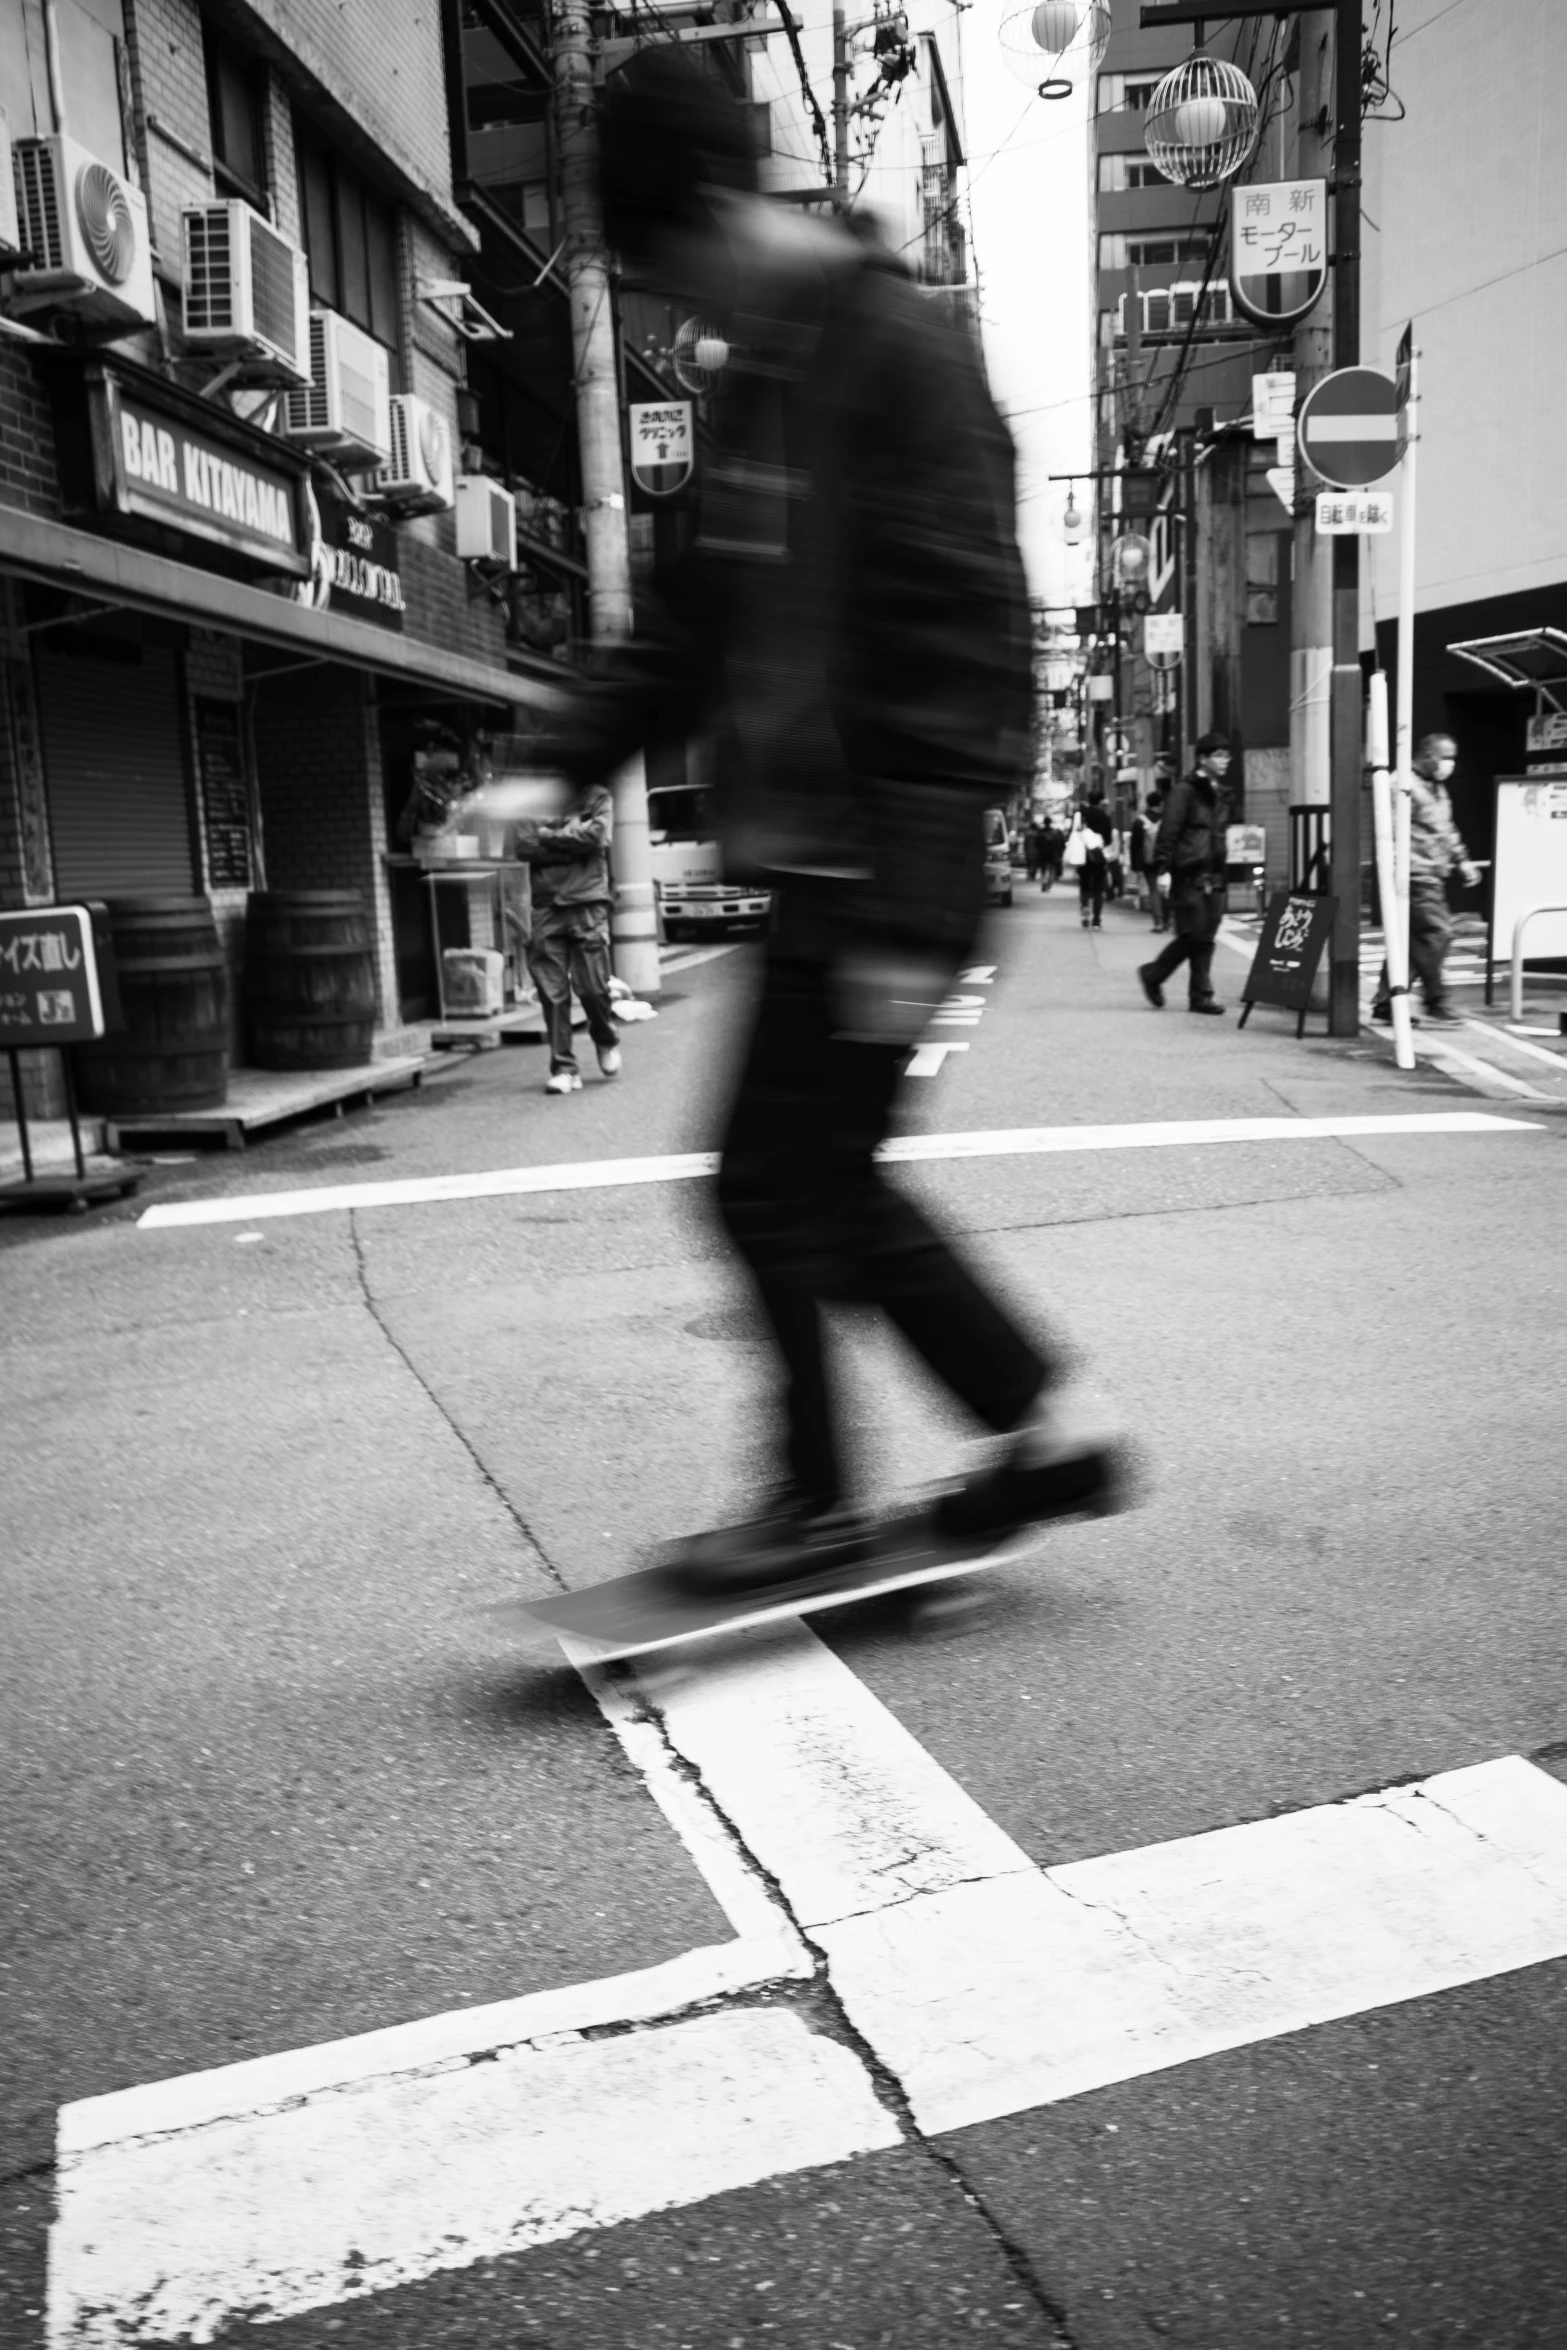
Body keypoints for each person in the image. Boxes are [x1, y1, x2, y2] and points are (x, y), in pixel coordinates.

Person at [484, 49, 1120, 1586]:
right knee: (811, 1178)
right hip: (827, 868)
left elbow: (970, 640)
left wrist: (914, 902)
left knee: (773, 1182)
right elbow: (692, 621)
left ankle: (832, 1497)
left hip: (886, 868)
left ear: (713, 209)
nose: (667, 306)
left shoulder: (896, 354)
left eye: (663, 267)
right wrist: (557, 754)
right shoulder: (766, 379)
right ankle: (1031, 1432)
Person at [512, 783, 623, 1093]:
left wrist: (549, 835)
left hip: (588, 901)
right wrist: (573, 841)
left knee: (591, 987)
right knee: (552, 992)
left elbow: (599, 836)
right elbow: (523, 846)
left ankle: (605, 1038)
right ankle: (564, 1068)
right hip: (546, 906)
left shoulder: (596, 795)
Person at [1370, 731, 1480, 1029]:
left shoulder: (1436, 787)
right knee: (1437, 934)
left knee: (1411, 942)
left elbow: (1445, 827)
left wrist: (1462, 860)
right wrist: (1395, 873)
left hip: (1431, 872)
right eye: (1446, 758)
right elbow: (1388, 832)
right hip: (1414, 874)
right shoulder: (1401, 785)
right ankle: (1435, 1000)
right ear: (1429, 755)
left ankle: (1385, 1003)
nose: (1450, 765)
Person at [1137, 733, 1236, 1015]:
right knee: (1193, 934)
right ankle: (1154, 974)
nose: (1225, 760)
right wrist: (1164, 869)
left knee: (1205, 937)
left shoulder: (1220, 792)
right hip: (1188, 872)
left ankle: (1200, 996)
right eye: (1218, 755)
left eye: (1226, 755)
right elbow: (1170, 830)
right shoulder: (1185, 790)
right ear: (1203, 759)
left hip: (1215, 873)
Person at [1075, 789, 1113, 928]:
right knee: (1098, 889)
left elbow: (1075, 834)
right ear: (1100, 801)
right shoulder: (1105, 816)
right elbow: (1108, 840)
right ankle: (1097, 920)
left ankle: (1085, 910)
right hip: (1099, 856)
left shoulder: (1082, 815)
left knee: (1084, 886)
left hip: (1083, 855)